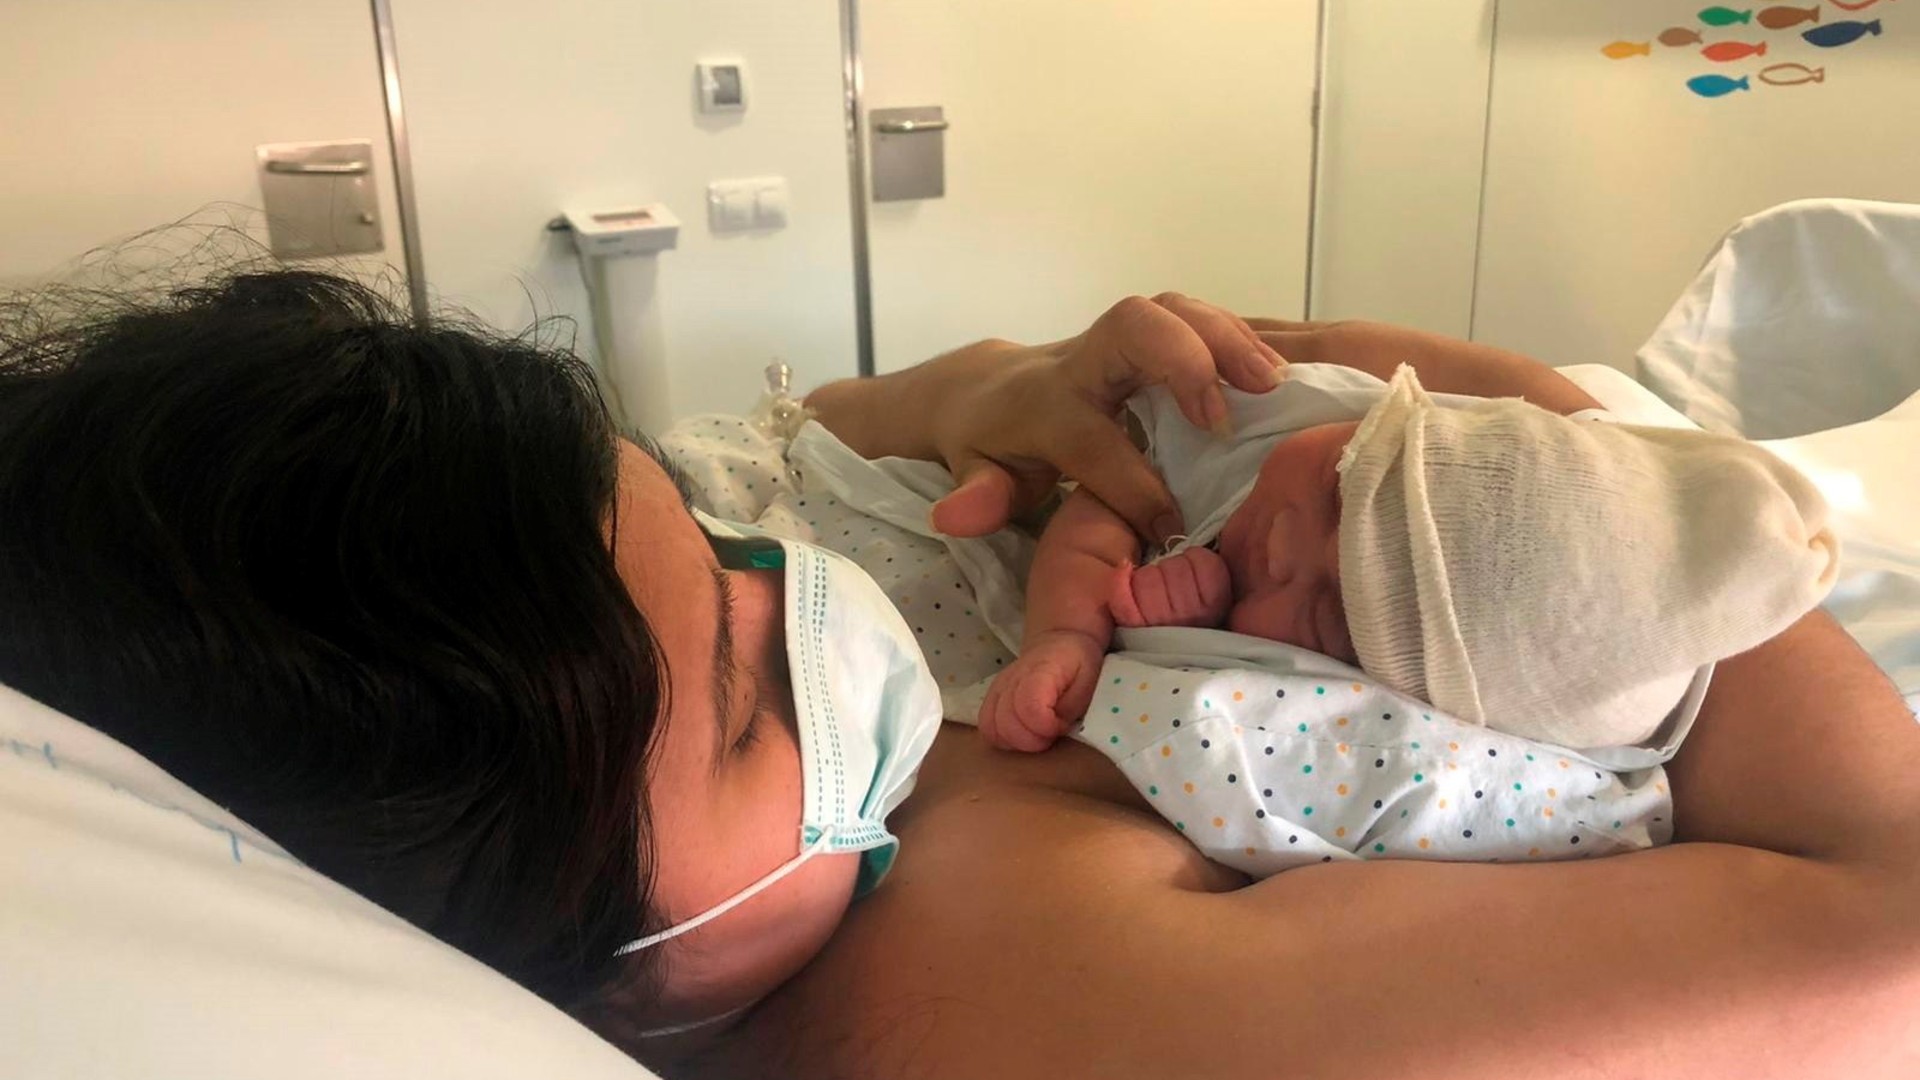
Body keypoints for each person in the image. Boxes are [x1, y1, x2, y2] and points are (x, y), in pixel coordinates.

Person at [1, 271, 1915, 1079]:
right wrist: (1575, 483)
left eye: (705, 525)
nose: (803, 593)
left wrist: (988, 390)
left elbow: (824, 425)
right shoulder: (987, 972)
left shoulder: (644, 735)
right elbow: (1887, 924)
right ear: (580, 956)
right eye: (755, 691)